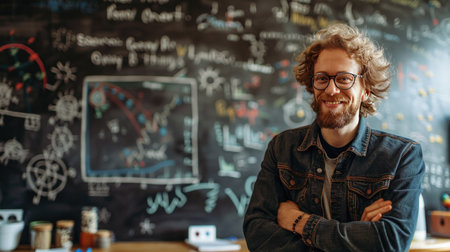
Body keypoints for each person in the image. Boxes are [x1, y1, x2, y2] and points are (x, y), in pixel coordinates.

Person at [243, 23, 425, 252]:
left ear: (365, 90)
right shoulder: (282, 148)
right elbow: (257, 234)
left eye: (344, 79)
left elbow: (391, 243)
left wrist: (300, 222)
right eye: (322, 78)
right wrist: (355, 235)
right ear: (312, 85)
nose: (331, 89)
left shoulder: (402, 156)